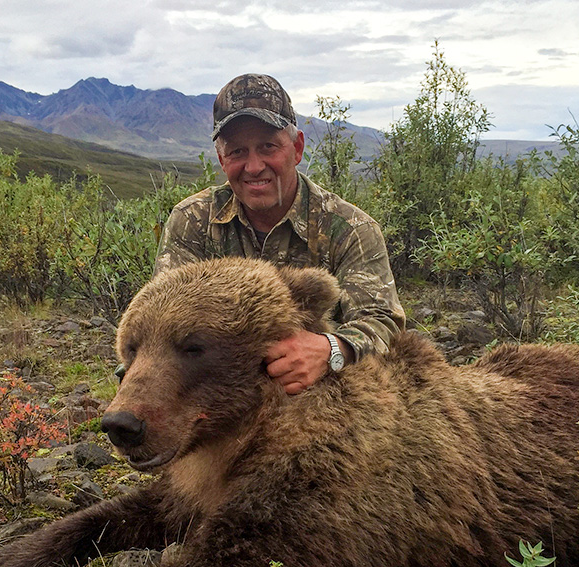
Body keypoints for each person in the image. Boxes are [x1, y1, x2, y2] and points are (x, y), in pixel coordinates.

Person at [155, 73, 405, 395]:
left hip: (321, 399)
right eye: (237, 152)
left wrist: (332, 349)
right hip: (217, 395)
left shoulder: (351, 229)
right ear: (221, 159)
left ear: (297, 148)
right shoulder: (192, 220)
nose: (254, 166)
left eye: (268, 147)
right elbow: (164, 322)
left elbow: (383, 323)